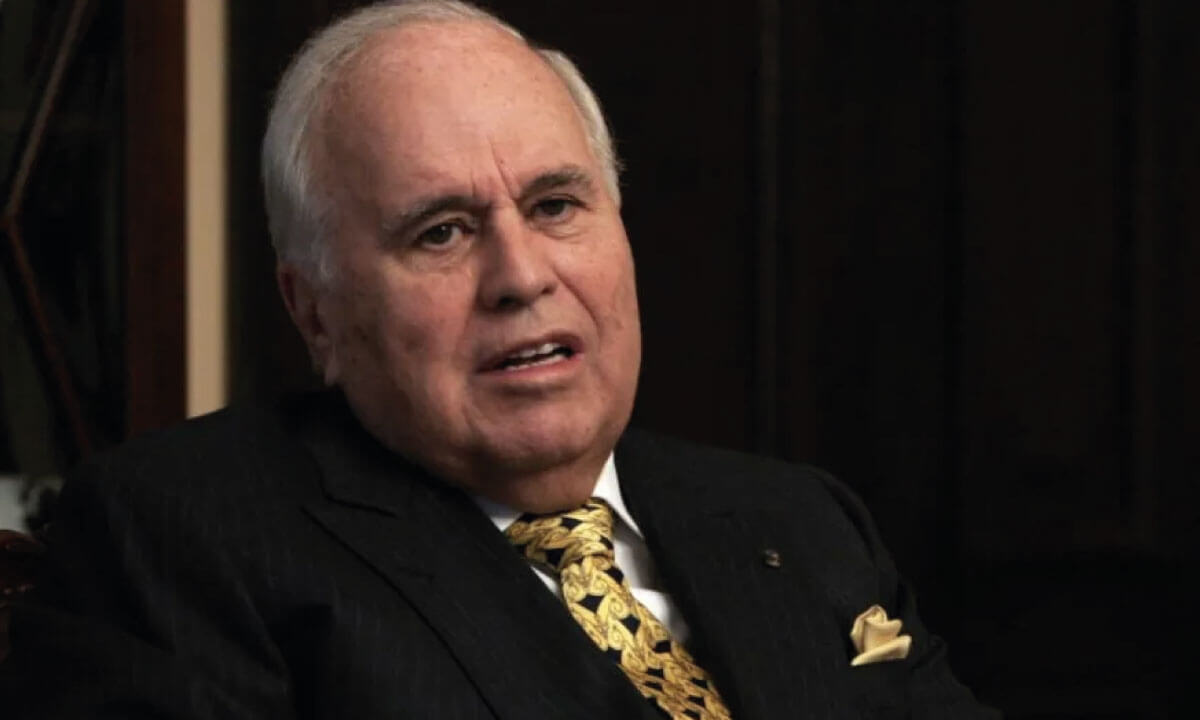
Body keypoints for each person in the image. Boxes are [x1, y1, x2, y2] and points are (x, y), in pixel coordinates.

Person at [0, 1, 998, 717]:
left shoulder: (800, 520)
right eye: (441, 232)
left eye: (556, 206)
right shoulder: (182, 538)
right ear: (315, 314)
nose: (521, 276)